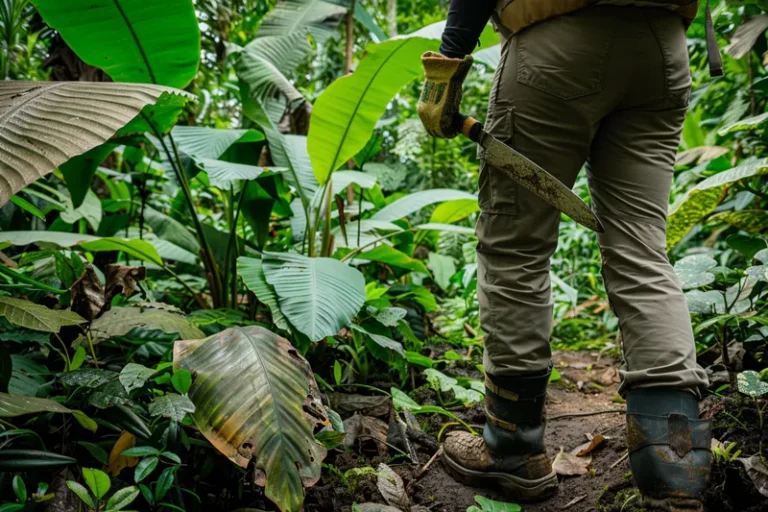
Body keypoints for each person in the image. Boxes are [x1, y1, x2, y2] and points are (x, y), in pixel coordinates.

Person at [417, 1, 720, 511]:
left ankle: (511, 447)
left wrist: (445, 68)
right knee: (642, 246)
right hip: (661, 49)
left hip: (557, 46)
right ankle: (675, 467)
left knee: (516, 244)